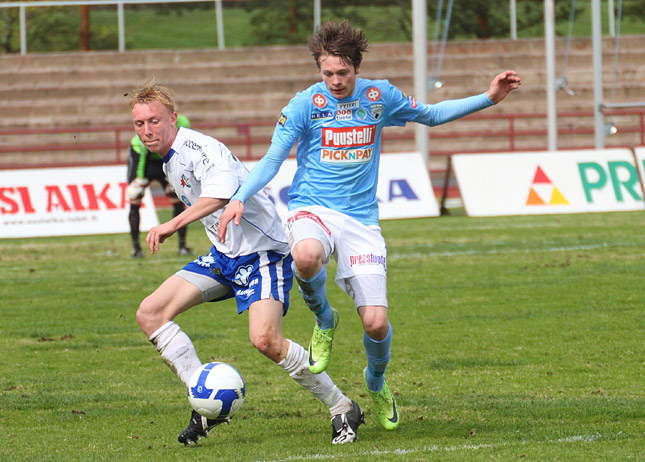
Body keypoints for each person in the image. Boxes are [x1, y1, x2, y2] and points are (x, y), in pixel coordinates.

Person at [217, 20, 521, 432]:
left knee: (376, 323)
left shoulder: (380, 97)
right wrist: (238, 198)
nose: (336, 81)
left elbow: (429, 115)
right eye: (328, 73)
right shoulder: (305, 104)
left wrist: (488, 97)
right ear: (319, 69)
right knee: (305, 256)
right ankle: (324, 320)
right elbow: (272, 159)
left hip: (361, 219)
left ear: (357, 67)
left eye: (343, 72)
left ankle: (375, 382)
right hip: (313, 208)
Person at [129, 82, 364, 446]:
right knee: (151, 313)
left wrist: (172, 223)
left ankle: (342, 406)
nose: (147, 131)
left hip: (262, 254)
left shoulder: (199, 148)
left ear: (173, 118)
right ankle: (206, 405)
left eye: (154, 121)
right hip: (224, 257)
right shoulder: (169, 158)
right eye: (139, 124)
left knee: (265, 339)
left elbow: (221, 193)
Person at [126, 113, 191, 258]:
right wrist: (139, 178)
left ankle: (182, 245)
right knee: (134, 200)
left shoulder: (184, 123)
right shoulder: (152, 127)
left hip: (165, 159)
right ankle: (136, 248)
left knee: (179, 202)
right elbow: (144, 152)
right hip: (143, 158)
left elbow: (183, 150)